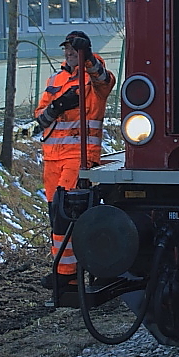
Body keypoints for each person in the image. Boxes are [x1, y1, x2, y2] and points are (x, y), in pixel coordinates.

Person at [35, 32, 116, 286]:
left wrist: (87, 55)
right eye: (67, 49)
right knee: (56, 215)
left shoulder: (95, 79)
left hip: (79, 156)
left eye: (74, 49)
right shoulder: (55, 80)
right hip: (52, 158)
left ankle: (68, 273)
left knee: (67, 211)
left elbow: (102, 77)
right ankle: (65, 272)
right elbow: (40, 118)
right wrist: (58, 106)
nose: (69, 53)